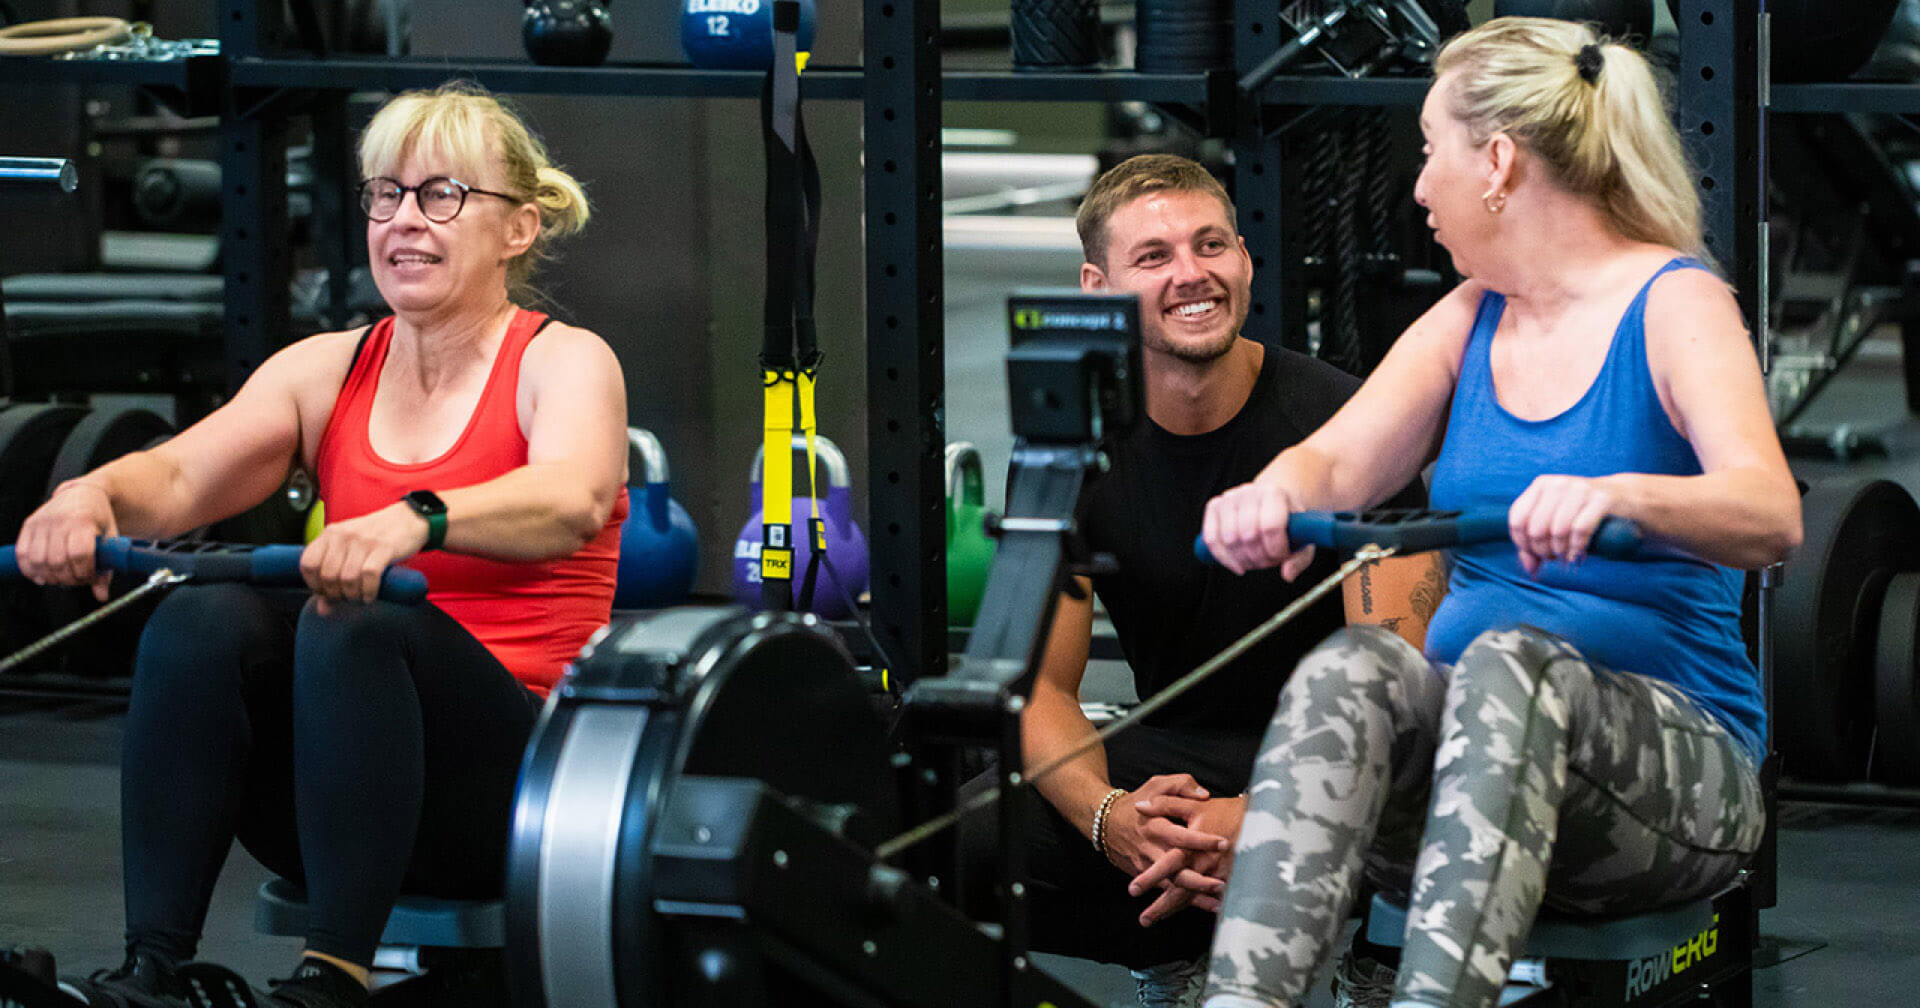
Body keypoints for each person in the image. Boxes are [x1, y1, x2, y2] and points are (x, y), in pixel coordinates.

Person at [1175, 19, 1800, 1008]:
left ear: (1499, 160)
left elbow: (1770, 514)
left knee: (1513, 661)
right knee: (1353, 669)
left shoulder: (1676, 305)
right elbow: (1341, 455)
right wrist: (1276, 494)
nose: (1418, 186)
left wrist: (1620, 494)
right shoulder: (1475, 313)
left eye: (1431, 151)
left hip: (1677, 792)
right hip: (1478, 776)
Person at [12, 82, 629, 1008]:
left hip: (514, 801)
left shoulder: (563, 360)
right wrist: (88, 494)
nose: (405, 220)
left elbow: (573, 497)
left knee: (353, 622)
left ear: (519, 229)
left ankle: (334, 981)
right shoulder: (325, 369)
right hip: (341, 803)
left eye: (444, 195)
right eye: (386, 194)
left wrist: (415, 517)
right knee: (201, 616)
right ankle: (150, 974)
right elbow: (177, 481)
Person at [961, 154, 1444, 1008]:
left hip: (1347, 769)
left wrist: (1265, 813)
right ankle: (1192, 946)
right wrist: (1114, 819)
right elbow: (1037, 689)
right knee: (958, 845)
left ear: (1245, 261)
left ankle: (1359, 958)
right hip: (1176, 772)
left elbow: (1403, 685)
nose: (1192, 273)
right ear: (1097, 283)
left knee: (1426, 790)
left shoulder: (1349, 425)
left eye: (1210, 244)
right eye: (1154, 257)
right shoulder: (1070, 443)